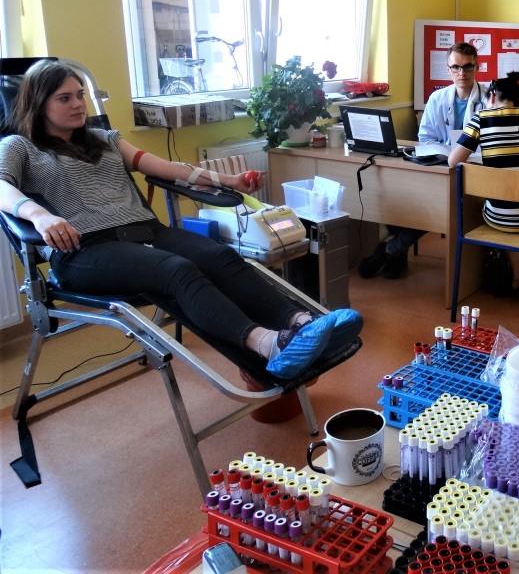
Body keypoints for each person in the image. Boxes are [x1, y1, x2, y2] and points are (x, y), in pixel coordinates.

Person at [0, 59, 360, 380]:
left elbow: (167, 168)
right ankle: (269, 345)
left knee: (221, 256)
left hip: (144, 232)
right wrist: (39, 215)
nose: (78, 104)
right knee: (177, 270)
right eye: (64, 98)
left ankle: (304, 324)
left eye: (80, 94)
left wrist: (228, 180)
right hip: (84, 249)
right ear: (39, 104)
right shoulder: (19, 146)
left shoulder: (103, 139)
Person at [359, 42, 487, 279]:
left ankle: (391, 249)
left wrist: (463, 154)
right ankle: (395, 252)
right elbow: (425, 137)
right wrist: (446, 152)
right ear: (448, 69)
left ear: (477, 67)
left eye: (468, 67)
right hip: (440, 168)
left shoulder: (489, 99)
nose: (462, 73)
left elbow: (491, 141)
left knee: (439, 208)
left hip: (476, 171)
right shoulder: (437, 98)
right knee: (418, 200)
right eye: (456, 67)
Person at [448, 72, 519, 294]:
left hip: (505, 217)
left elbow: (453, 161)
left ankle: (518, 275)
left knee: (500, 204)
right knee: (516, 198)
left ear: (492, 96)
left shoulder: (482, 118)